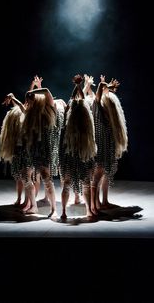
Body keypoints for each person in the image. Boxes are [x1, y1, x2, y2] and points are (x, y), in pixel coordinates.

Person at [5, 84, 58, 218]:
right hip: (31, 149)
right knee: (25, 176)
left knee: (46, 178)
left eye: (31, 100)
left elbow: (46, 91)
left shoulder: (48, 109)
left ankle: (54, 209)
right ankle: (33, 206)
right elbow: (23, 108)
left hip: (43, 150)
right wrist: (14, 98)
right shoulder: (30, 113)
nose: (28, 103)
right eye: (28, 101)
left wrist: (31, 91)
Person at [0, 76, 42, 208]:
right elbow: (25, 102)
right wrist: (32, 85)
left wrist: (13, 97)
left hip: (28, 149)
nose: (27, 101)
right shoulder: (26, 110)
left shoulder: (33, 113)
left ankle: (29, 202)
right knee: (19, 176)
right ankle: (20, 199)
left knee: (29, 177)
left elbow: (23, 106)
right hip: (18, 148)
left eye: (29, 99)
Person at [59, 74, 97, 219]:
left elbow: (74, 101)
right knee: (85, 184)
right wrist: (79, 85)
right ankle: (87, 211)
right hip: (82, 153)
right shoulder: (86, 124)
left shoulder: (68, 120)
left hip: (72, 154)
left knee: (67, 184)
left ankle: (63, 212)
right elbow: (80, 100)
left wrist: (77, 85)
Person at [89, 74, 128, 214]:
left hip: (107, 147)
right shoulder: (97, 106)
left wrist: (109, 89)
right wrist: (107, 86)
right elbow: (99, 88)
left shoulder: (107, 115)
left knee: (104, 174)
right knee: (97, 175)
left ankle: (101, 203)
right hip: (99, 148)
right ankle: (94, 206)